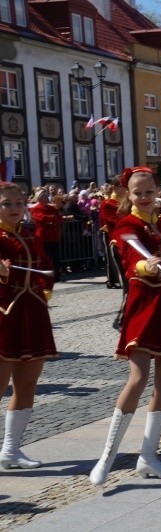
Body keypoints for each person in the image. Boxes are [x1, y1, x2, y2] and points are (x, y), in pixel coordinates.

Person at [90, 167, 161, 486]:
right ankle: (107, 457)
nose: (145, 198)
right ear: (128, 195)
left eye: (149, 192)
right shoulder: (126, 224)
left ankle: (148, 457)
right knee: (138, 377)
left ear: (157, 190)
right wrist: (143, 265)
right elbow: (127, 260)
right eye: (138, 193)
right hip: (143, 303)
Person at [0, 183, 57, 470]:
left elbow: (46, 266)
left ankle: (11, 450)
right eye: (6, 203)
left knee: (26, 385)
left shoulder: (29, 235)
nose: (13, 208)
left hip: (32, 312)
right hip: (4, 316)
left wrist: (45, 291)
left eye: (18, 203)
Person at [29, 189, 63, 282]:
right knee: (45, 257)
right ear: (40, 198)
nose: (47, 197)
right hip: (43, 237)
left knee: (56, 258)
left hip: (53, 236)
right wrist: (52, 218)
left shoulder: (52, 208)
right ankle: (45, 276)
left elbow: (59, 218)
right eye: (45, 195)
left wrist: (52, 219)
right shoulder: (36, 208)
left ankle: (56, 276)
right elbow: (41, 218)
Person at [99, 177, 127, 289]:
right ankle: (112, 279)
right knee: (112, 259)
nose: (125, 189)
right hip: (113, 236)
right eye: (122, 186)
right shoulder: (108, 203)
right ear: (114, 187)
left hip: (125, 237)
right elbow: (117, 221)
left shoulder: (125, 201)